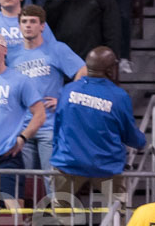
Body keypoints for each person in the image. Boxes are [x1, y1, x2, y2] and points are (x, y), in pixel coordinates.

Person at [51, 46, 146, 207]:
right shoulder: (119, 96)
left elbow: (57, 127)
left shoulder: (68, 90)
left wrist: (58, 152)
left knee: (59, 217)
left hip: (68, 162)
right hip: (106, 166)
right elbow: (129, 134)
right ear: (110, 70)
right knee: (117, 215)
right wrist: (141, 142)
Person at [0, 31, 47, 203]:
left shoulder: (20, 80)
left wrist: (22, 138)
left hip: (8, 156)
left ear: (4, 50)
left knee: (14, 211)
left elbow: (40, 114)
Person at [9, 5, 86, 172]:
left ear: (42, 26)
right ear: (19, 26)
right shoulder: (11, 55)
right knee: (22, 183)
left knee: (52, 180)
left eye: (32, 21)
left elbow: (83, 70)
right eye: (24, 22)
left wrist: (66, 98)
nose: (28, 25)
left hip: (50, 126)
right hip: (22, 128)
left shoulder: (56, 49)